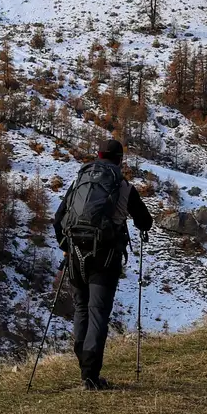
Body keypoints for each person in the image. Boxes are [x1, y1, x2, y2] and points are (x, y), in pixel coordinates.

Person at [52, 138, 152, 389]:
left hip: (75, 254)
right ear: (120, 159)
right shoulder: (122, 185)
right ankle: (91, 376)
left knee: (81, 309)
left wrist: (66, 248)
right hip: (105, 257)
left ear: (98, 155)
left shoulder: (80, 180)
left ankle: (84, 367)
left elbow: (58, 219)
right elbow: (144, 221)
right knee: (98, 312)